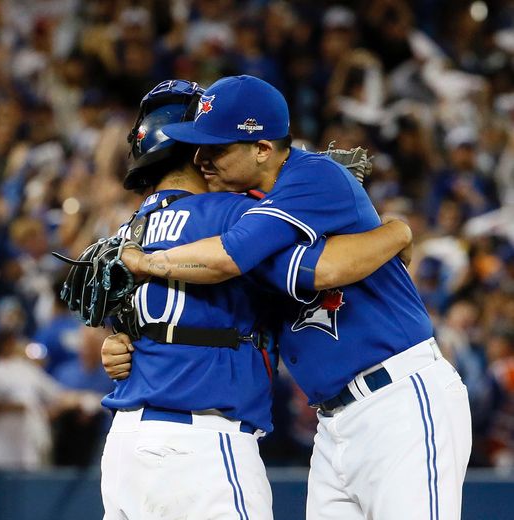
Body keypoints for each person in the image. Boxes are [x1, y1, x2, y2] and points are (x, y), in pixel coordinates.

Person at [114, 75, 471, 520]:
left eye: (217, 148)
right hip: (334, 424)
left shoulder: (309, 177)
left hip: (399, 397)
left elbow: (305, 266)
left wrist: (148, 260)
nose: (201, 159)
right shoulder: (253, 205)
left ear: (263, 149)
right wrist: (130, 341)